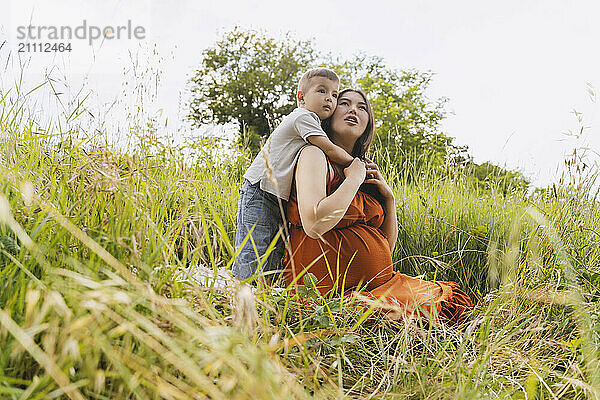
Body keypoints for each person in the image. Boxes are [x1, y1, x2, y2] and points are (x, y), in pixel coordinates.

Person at [283, 88, 473, 324]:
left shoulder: (365, 168)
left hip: (383, 283)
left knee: (446, 302)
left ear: (368, 123)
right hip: (329, 292)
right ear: (329, 113)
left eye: (362, 107)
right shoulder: (314, 154)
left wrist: (388, 199)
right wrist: (353, 179)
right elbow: (315, 223)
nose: (353, 109)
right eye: (344, 103)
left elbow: (386, 247)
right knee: (425, 314)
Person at [234, 68, 355, 281]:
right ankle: (240, 296)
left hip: (277, 196)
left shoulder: (313, 122)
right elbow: (328, 148)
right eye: (321, 91)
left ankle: (263, 299)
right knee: (254, 250)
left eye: (335, 95)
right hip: (260, 190)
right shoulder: (303, 117)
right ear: (301, 97)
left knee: (274, 251)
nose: (329, 98)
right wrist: (356, 165)